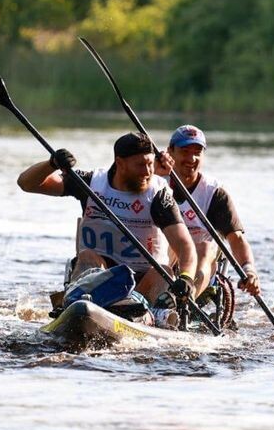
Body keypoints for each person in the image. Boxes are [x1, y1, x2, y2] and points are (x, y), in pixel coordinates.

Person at [16, 132, 197, 323]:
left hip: (143, 278)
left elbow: (186, 247)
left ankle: (136, 311)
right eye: (140, 165)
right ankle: (78, 303)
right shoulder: (91, 183)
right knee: (87, 256)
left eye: (151, 164)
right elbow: (26, 183)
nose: (147, 172)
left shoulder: (159, 197)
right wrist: (51, 164)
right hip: (98, 275)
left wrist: (186, 278)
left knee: (164, 271)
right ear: (120, 163)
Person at [155, 125, 261, 299]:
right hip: (165, 258)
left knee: (204, 246)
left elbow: (237, 239)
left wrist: (249, 270)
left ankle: (184, 301)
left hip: (201, 265)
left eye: (197, 152)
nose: (192, 158)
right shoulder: (155, 183)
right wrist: (152, 169)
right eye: (185, 151)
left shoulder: (214, 193)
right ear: (170, 152)